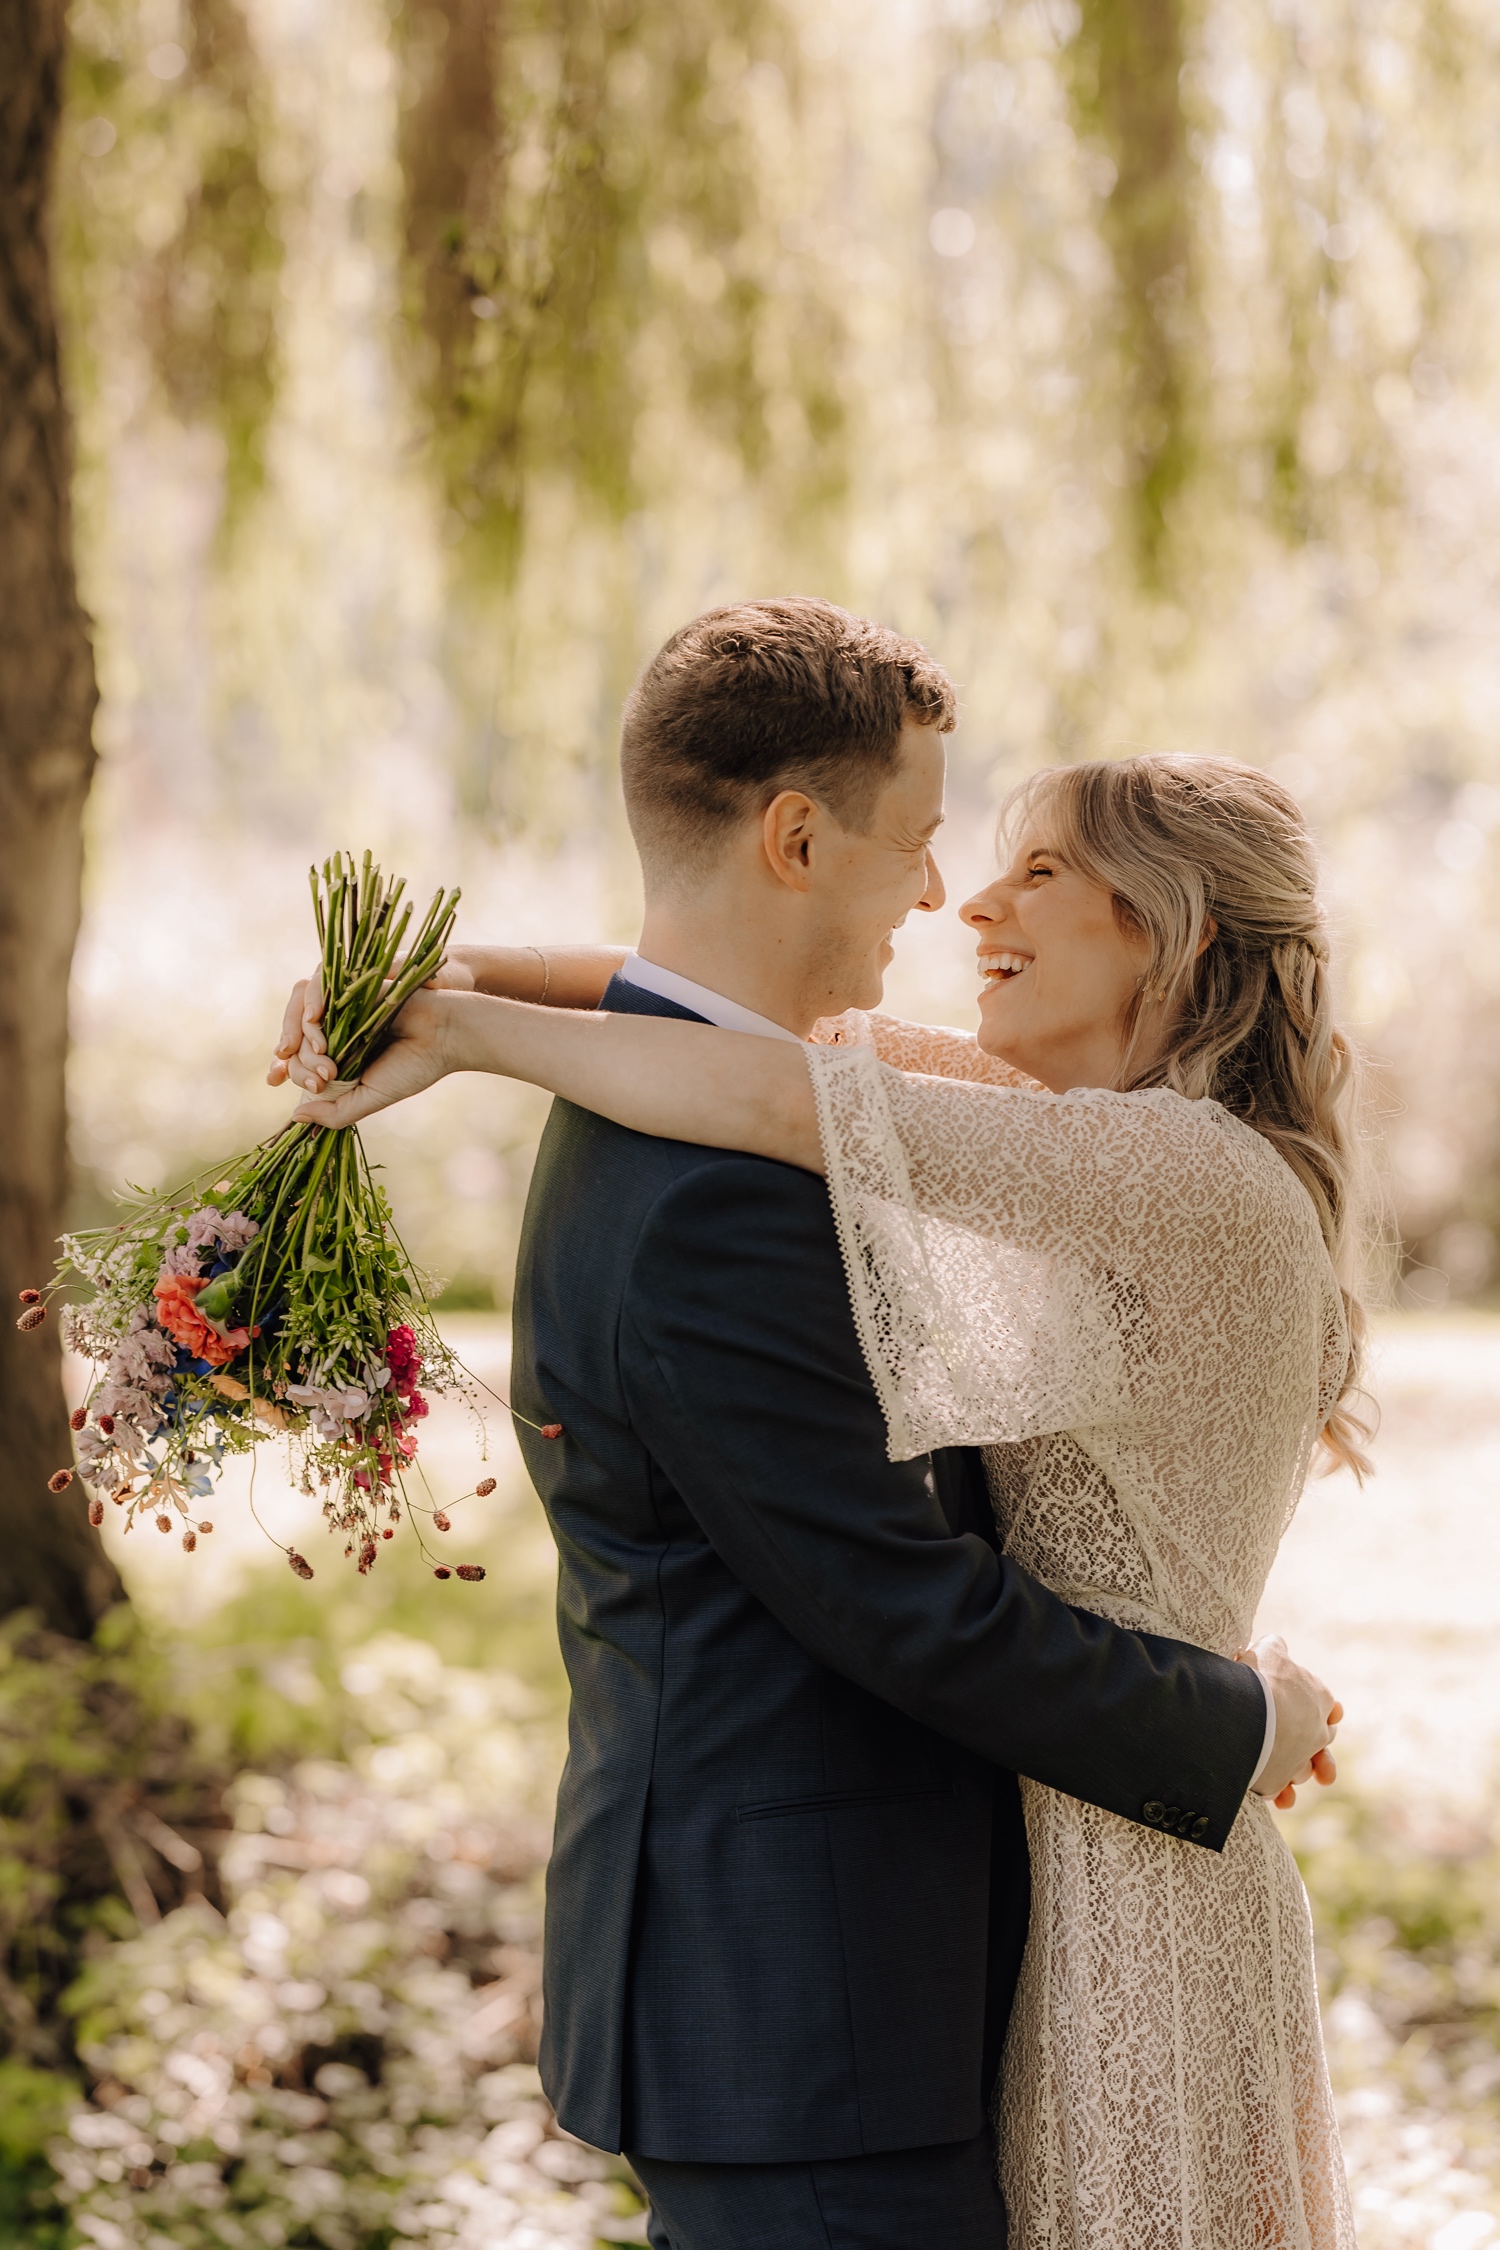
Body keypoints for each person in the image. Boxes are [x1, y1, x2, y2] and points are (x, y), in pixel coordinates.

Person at [274, 599, 1346, 2250]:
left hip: (1052, 1896)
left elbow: (792, 1077)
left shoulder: (1150, 1164)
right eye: (930, 842)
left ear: (1177, 934)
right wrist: (461, 987)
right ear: (793, 834)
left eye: (1027, 869)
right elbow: (897, 1598)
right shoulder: (737, 1177)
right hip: (830, 1993)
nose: (951, 894)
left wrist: (470, 1017)